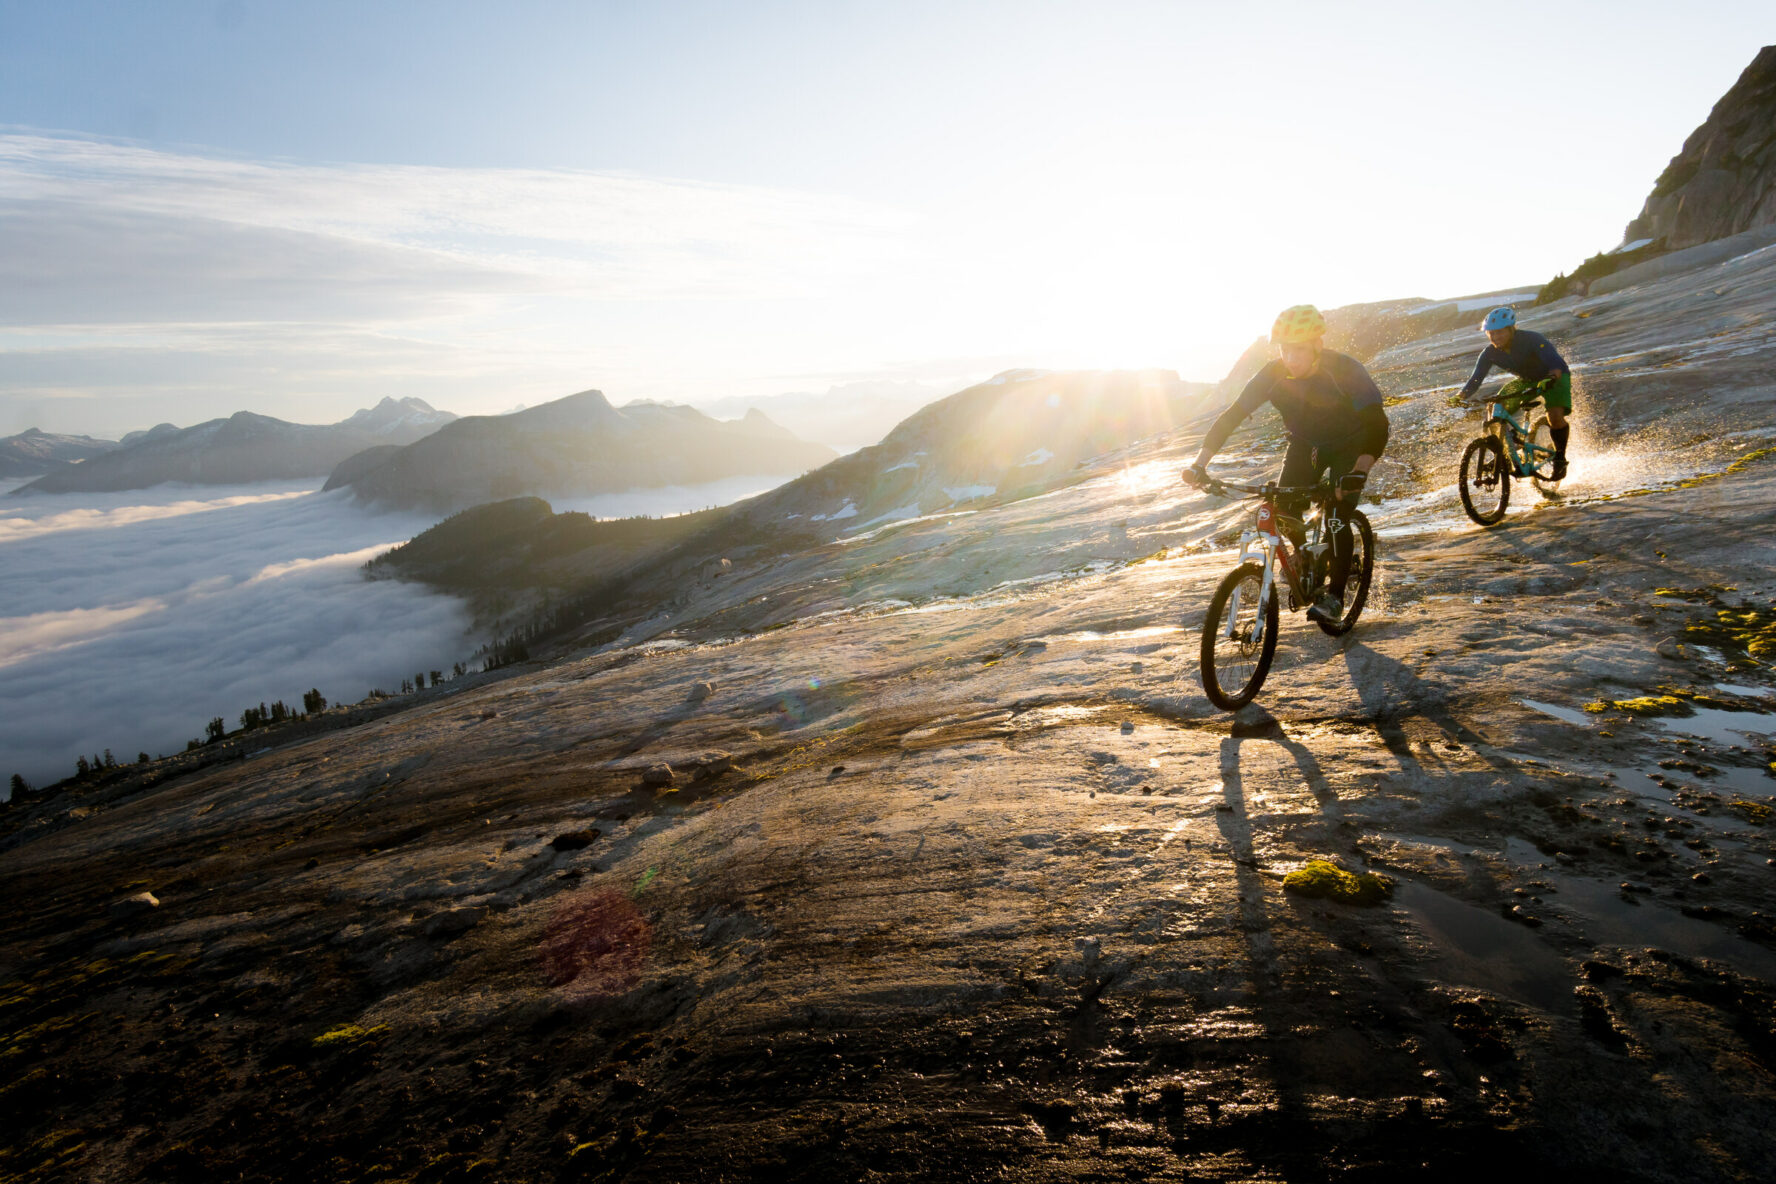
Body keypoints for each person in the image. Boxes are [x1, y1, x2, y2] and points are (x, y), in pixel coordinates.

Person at [1182, 304, 1390, 625]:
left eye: (1298, 350)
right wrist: (1199, 464)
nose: (1290, 358)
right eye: (1284, 349)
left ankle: (1335, 597)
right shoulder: (1273, 372)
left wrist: (1359, 470)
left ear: (1317, 346)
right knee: (1284, 510)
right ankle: (1307, 557)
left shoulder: (1344, 369)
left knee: (1336, 515)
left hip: (1350, 444)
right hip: (1305, 445)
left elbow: (1376, 422)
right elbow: (1233, 415)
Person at [1457, 306, 1572, 479]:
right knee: (1495, 409)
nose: (1495, 337)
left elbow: (1554, 360)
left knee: (1554, 417)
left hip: (1553, 377)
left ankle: (1560, 459)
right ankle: (1507, 448)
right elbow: (1476, 378)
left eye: (1500, 332)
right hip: (1526, 380)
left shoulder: (1532, 339)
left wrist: (1553, 375)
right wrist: (1461, 395)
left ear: (1511, 329)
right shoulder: (1489, 353)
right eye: (1491, 334)